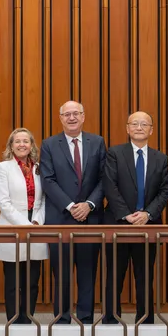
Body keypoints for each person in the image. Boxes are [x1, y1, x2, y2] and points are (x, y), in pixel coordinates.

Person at [39, 100, 106, 323]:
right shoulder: (49, 144)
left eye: (76, 113)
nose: (71, 118)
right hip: (60, 219)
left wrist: (89, 205)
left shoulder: (97, 142)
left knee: (88, 273)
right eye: (66, 114)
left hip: (91, 218)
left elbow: (104, 179)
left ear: (83, 116)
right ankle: (62, 318)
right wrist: (70, 206)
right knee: (61, 275)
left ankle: (86, 319)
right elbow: (48, 180)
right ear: (60, 118)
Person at [102, 111, 168, 324]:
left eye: (144, 124)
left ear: (151, 130)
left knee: (145, 277)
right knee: (114, 276)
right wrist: (126, 215)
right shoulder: (114, 154)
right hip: (117, 224)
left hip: (148, 226)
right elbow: (109, 186)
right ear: (127, 128)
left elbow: (165, 189)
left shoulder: (161, 158)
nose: (139, 127)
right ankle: (111, 321)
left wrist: (148, 214)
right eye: (135, 123)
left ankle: (145, 321)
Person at [0, 128, 46, 324]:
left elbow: (45, 199)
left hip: (37, 226)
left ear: (32, 145)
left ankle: (28, 318)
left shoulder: (40, 168)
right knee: (13, 281)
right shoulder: (3, 168)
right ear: (11, 146)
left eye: (26, 141)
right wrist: (25, 225)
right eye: (17, 141)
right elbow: (3, 203)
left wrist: (37, 222)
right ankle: (13, 320)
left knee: (32, 281)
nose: (22, 144)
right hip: (12, 225)